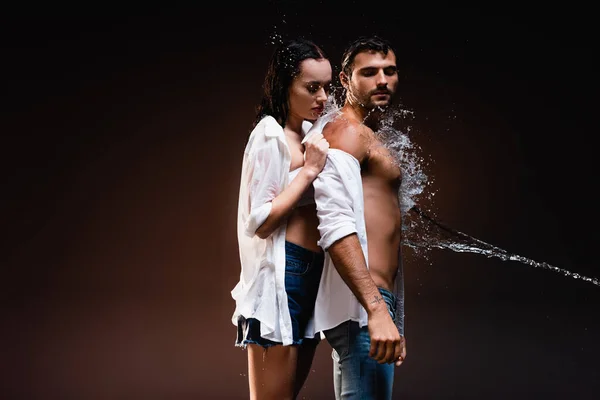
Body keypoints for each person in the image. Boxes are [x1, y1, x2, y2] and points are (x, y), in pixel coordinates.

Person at [230, 38, 332, 400]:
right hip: (283, 276)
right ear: (284, 84)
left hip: (311, 272)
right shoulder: (269, 135)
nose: (322, 97)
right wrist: (308, 171)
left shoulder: (307, 134)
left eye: (326, 87)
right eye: (311, 87)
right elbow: (260, 222)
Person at [307, 35, 407, 399]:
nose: (382, 80)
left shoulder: (367, 134)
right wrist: (376, 309)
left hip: (371, 305)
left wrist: (391, 316)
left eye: (390, 71)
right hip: (364, 304)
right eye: (369, 72)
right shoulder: (347, 132)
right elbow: (335, 224)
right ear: (346, 80)